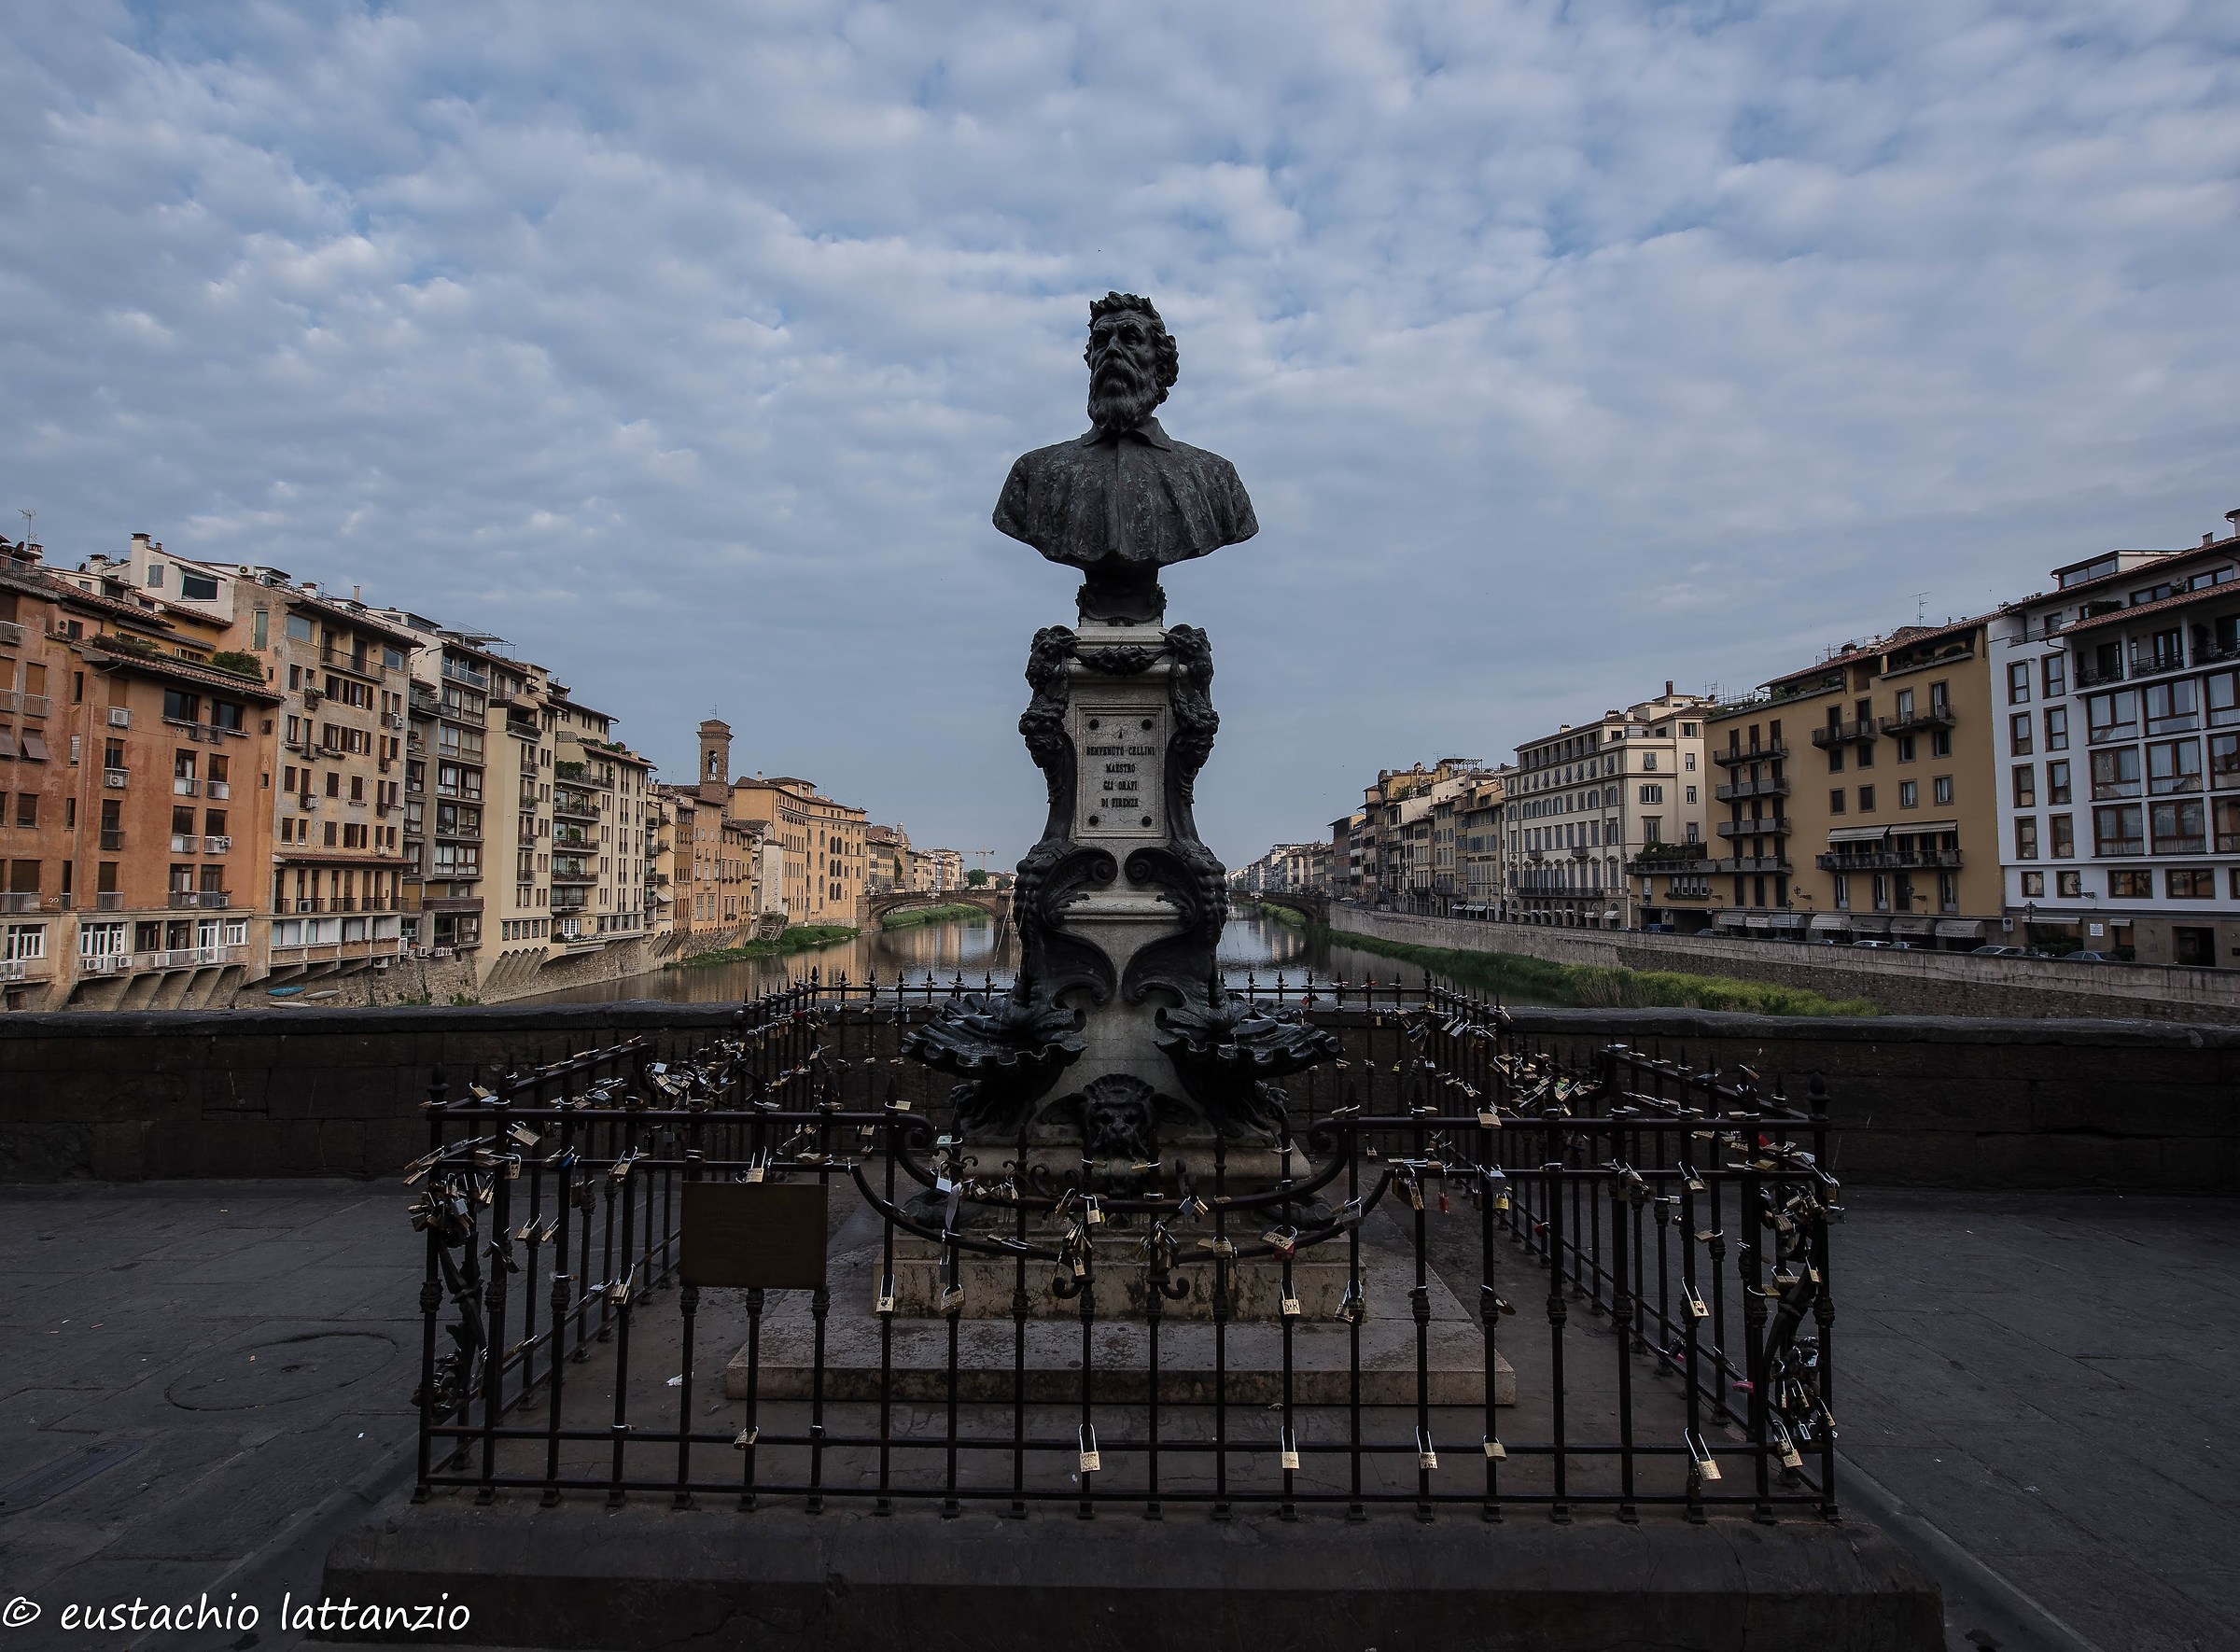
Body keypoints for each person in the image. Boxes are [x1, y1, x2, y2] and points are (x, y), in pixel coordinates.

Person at [993, 292, 1257, 624]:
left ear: (1160, 366)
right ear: (1090, 362)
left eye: (1131, 338)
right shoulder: (1035, 474)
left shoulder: (1213, 478)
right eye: (1102, 341)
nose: (1113, 350)